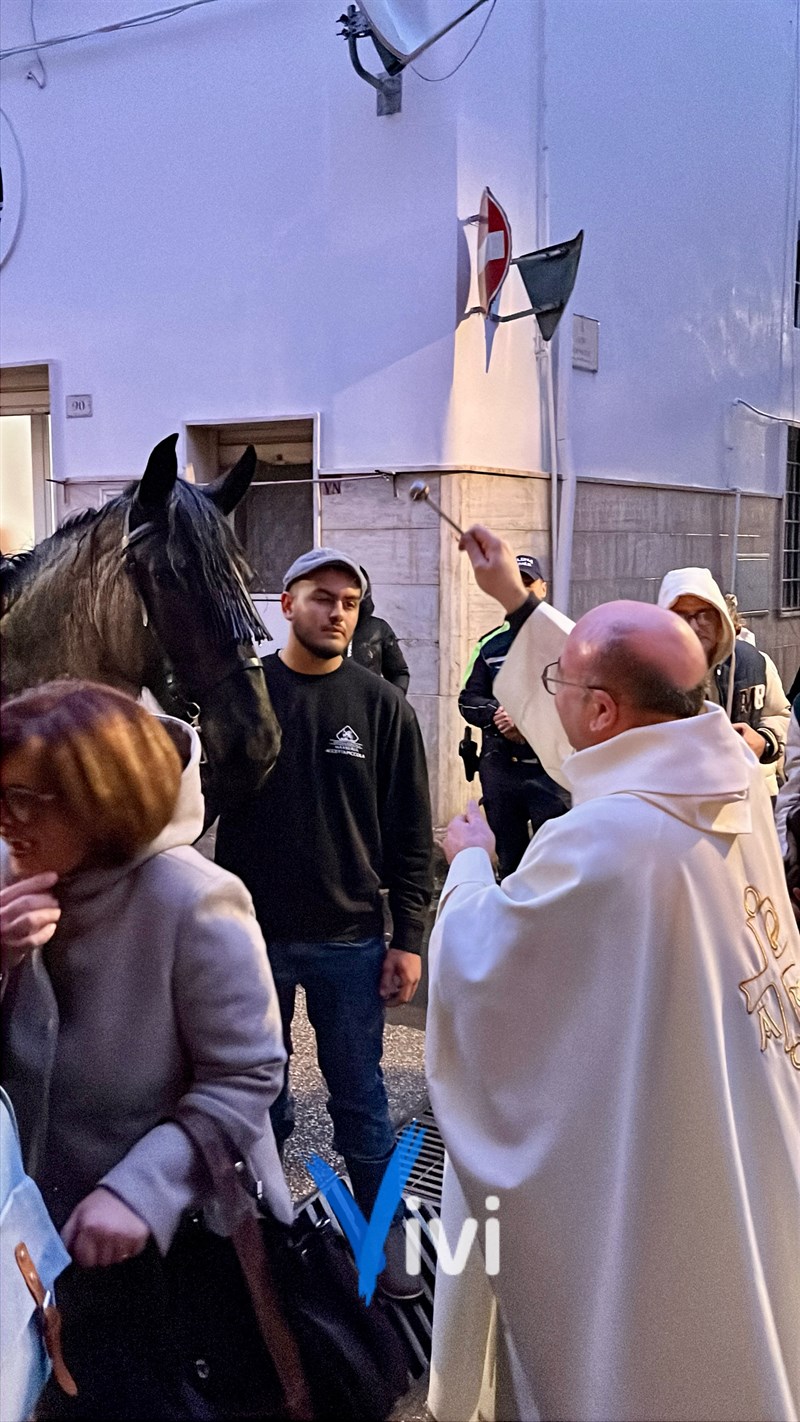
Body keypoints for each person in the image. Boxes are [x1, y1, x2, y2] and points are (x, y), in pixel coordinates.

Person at [426, 526, 800, 1422]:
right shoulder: (731, 781)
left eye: (561, 687)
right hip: (739, 1107)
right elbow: (616, 732)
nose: (551, 700)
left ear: (599, 711)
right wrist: (518, 607)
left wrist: (473, 864)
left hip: (653, 1156)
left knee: (647, 1341)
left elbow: (484, 979)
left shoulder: (601, 843)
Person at [0, 680, 291, 1420]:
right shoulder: (12, 877)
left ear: (101, 796)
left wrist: (140, 1190)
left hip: (157, 1253)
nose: (6, 822)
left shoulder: (192, 898)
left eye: (26, 798)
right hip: (25, 1233)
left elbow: (249, 1073)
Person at [215, 547, 433, 1298]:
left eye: (348, 601)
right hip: (252, 941)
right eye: (321, 597)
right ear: (287, 604)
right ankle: (267, 1242)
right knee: (259, 1103)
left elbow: (411, 834)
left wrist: (408, 938)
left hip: (351, 941)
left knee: (360, 1100)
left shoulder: (383, 708)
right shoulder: (245, 701)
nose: (336, 611)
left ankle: (377, 1231)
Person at [459, 554, 569, 878]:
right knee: (510, 867)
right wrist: (498, 715)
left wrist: (529, 720)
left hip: (551, 772)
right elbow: (468, 700)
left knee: (558, 868)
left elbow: (586, 702)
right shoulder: (488, 645)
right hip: (501, 771)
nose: (522, 592)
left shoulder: (568, 641)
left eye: (528, 584)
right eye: (514, 585)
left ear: (544, 588)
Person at [658, 566, 790, 795]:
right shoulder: (648, 677)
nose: (694, 626)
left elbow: (781, 716)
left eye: (703, 615)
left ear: (720, 619)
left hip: (751, 797)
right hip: (676, 802)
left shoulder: (754, 663)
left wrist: (764, 740)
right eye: (680, 616)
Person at [349, 566, 410, 693]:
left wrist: (392, 703)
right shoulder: (320, 630)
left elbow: (398, 673)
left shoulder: (378, 629)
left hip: (368, 707)